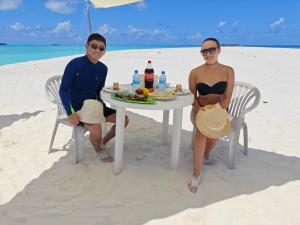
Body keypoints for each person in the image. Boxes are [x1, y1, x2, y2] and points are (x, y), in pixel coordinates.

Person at [59, 33, 129, 162]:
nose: (97, 50)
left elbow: (97, 90)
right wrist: (70, 112)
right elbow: (63, 90)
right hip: (78, 108)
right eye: (94, 46)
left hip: (95, 105)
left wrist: (101, 101)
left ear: (104, 52)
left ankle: (102, 142)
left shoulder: (103, 68)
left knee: (123, 120)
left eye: (101, 48)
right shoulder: (75, 64)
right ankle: (99, 150)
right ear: (87, 46)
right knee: (96, 128)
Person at [188, 38, 235, 193]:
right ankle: (196, 174)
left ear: (219, 50)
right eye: (204, 51)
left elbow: (227, 97)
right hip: (200, 110)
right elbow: (192, 97)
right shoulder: (195, 72)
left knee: (215, 133)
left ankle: (204, 153)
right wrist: (201, 111)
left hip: (220, 110)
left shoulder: (228, 70)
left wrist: (216, 112)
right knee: (202, 133)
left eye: (211, 50)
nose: (208, 54)